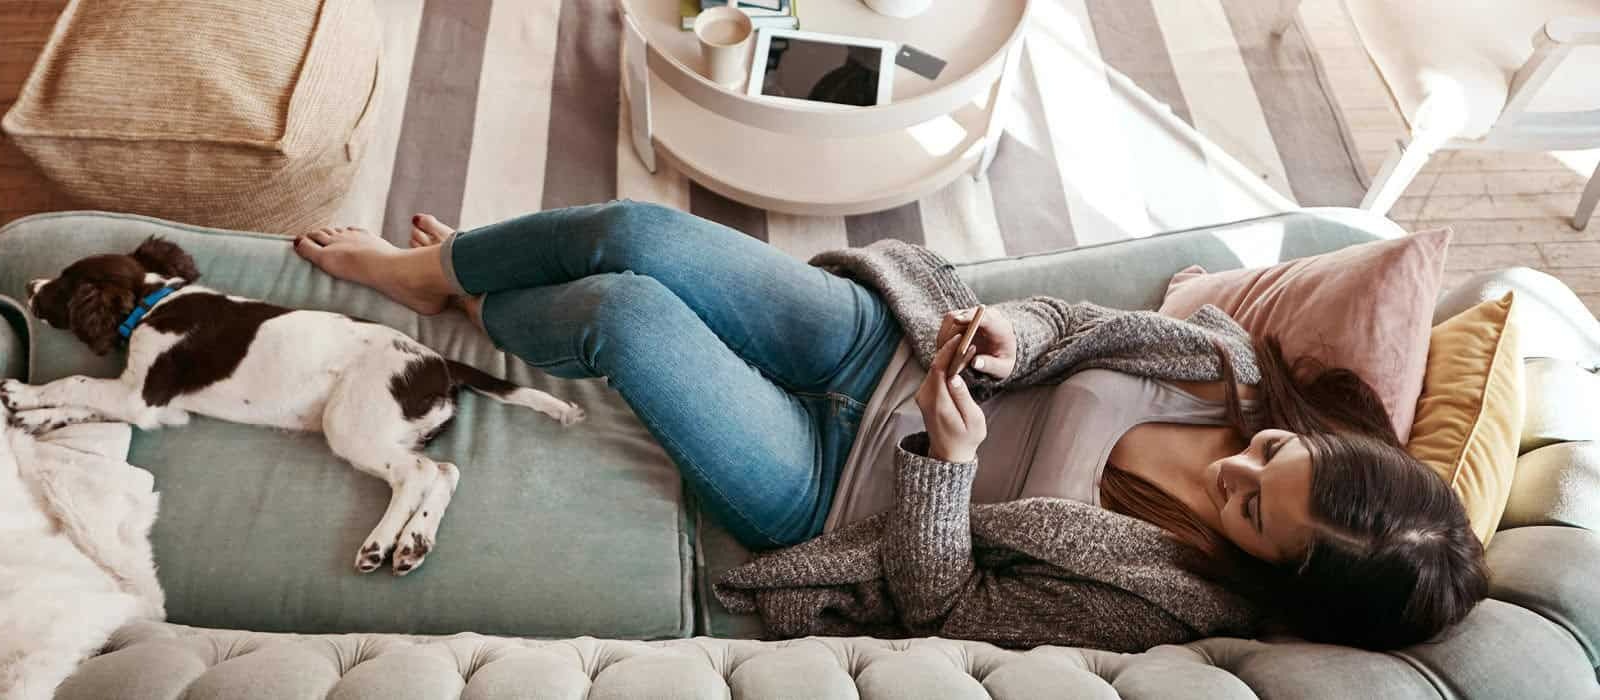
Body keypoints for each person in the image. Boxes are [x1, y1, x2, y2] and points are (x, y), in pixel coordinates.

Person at [293, 200, 1486, 652]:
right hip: (880, 347)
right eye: (1275, 456)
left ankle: (485, 302)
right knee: (639, 234)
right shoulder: (1228, 365)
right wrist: (1016, 332)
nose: (1237, 466)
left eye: (1247, 510)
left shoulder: (1165, 599)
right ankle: (434, 270)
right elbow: (1073, 324)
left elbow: (947, 605)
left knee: (621, 311)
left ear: (1270, 575)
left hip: (830, 487)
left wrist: (949, 465)